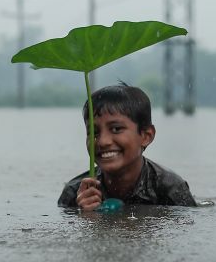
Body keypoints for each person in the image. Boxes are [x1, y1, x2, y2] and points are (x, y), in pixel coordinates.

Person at [58, 83, 197, 211]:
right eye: (94, 132)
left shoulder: (170, 188)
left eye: (116, 129)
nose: (102, 142)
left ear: (146, 136)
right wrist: (86, 217)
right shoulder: (74, 193)